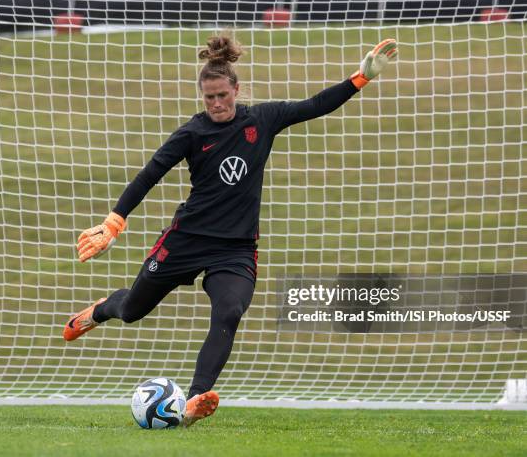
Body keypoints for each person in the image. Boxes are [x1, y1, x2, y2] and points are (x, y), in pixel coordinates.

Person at [64, 36, 398, 426]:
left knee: (230, 311)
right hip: (186, 241)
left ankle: (191, 403)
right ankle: (100, 310)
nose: (217, 104)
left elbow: (314, 106)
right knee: (133, 310)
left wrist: (360, 78)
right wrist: (113, 222)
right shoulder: (192, 133)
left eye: (223, 95)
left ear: (236, 90)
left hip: (235, 249)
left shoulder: (262, 120)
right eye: (209, 98)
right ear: (202, 97)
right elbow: (149, 175)